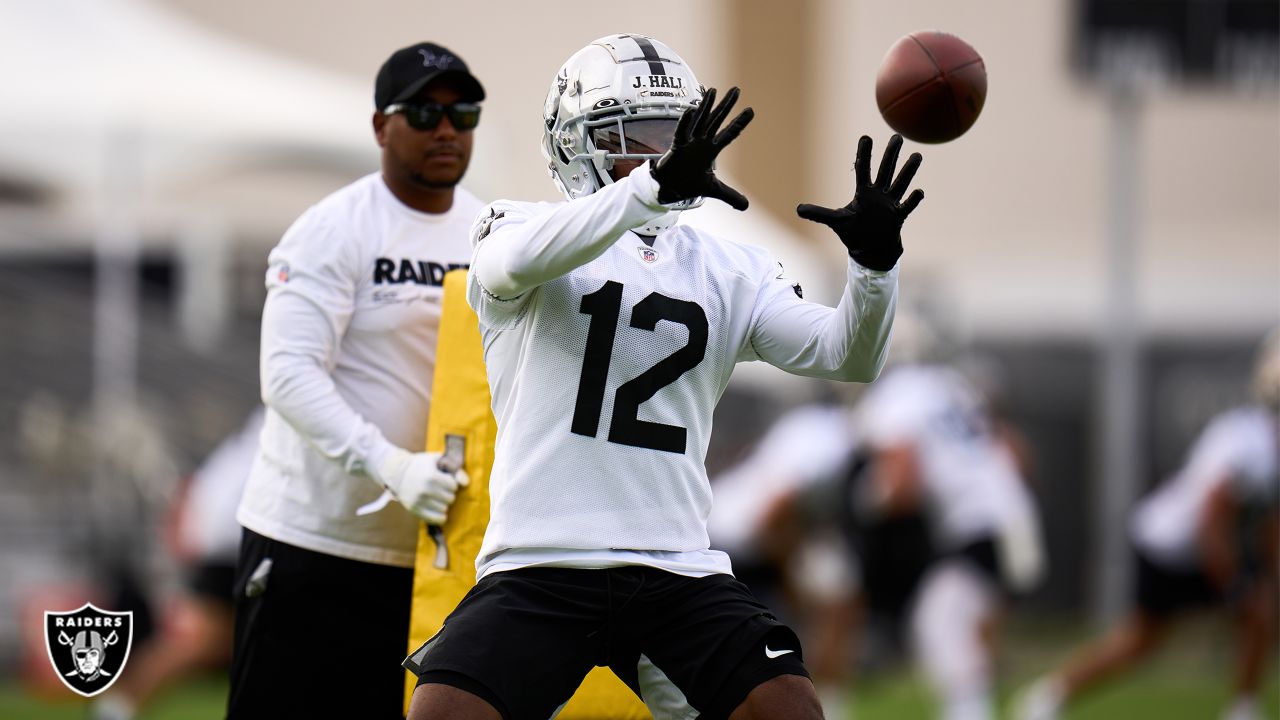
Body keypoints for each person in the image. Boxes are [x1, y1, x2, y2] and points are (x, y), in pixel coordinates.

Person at [402, 33, 925, 720]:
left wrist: (874, 269)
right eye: (635, 138)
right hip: (540, 563)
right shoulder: (519, 225)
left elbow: (845, 356)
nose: (659, 157)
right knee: (442, 713)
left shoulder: (729, 266)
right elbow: (511, 266)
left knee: (789, 708)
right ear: (573, 144)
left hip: (673, 564)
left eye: (672, 138)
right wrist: (649, 192)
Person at [227, 42, 484, 718]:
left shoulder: (492, 234)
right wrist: (390, 464)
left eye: (464, 112)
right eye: (425, 111)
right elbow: (286, 375)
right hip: (313, 542)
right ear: (381, 126)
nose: (448, 129)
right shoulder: (332, 229)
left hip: (431, 556)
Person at [1015, 331, 1280, 720]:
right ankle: (1049, 695)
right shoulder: (1247, 439)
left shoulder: (1264, 440)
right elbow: (1211, 516)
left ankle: (1244, 708)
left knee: (1257, 614)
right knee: (1142, 640)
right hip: (1171, 545)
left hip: (1200, 544)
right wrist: (1235, 582)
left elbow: (1265, 524)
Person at [851, 361, 1044, 720]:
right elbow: (1017, 454)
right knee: (970, 634)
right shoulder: (950, 384)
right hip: (1015, 516)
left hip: (977, 525)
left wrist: (864, 500)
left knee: (938, 622)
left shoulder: (894, 397)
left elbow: (904, 483)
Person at [92, 408, 262, 720]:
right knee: (203, 641)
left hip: (227, 539)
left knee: (212, 642)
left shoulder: (260, 427)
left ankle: (117, 706)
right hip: (232, 543)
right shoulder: (287, 416)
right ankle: (117, 707)